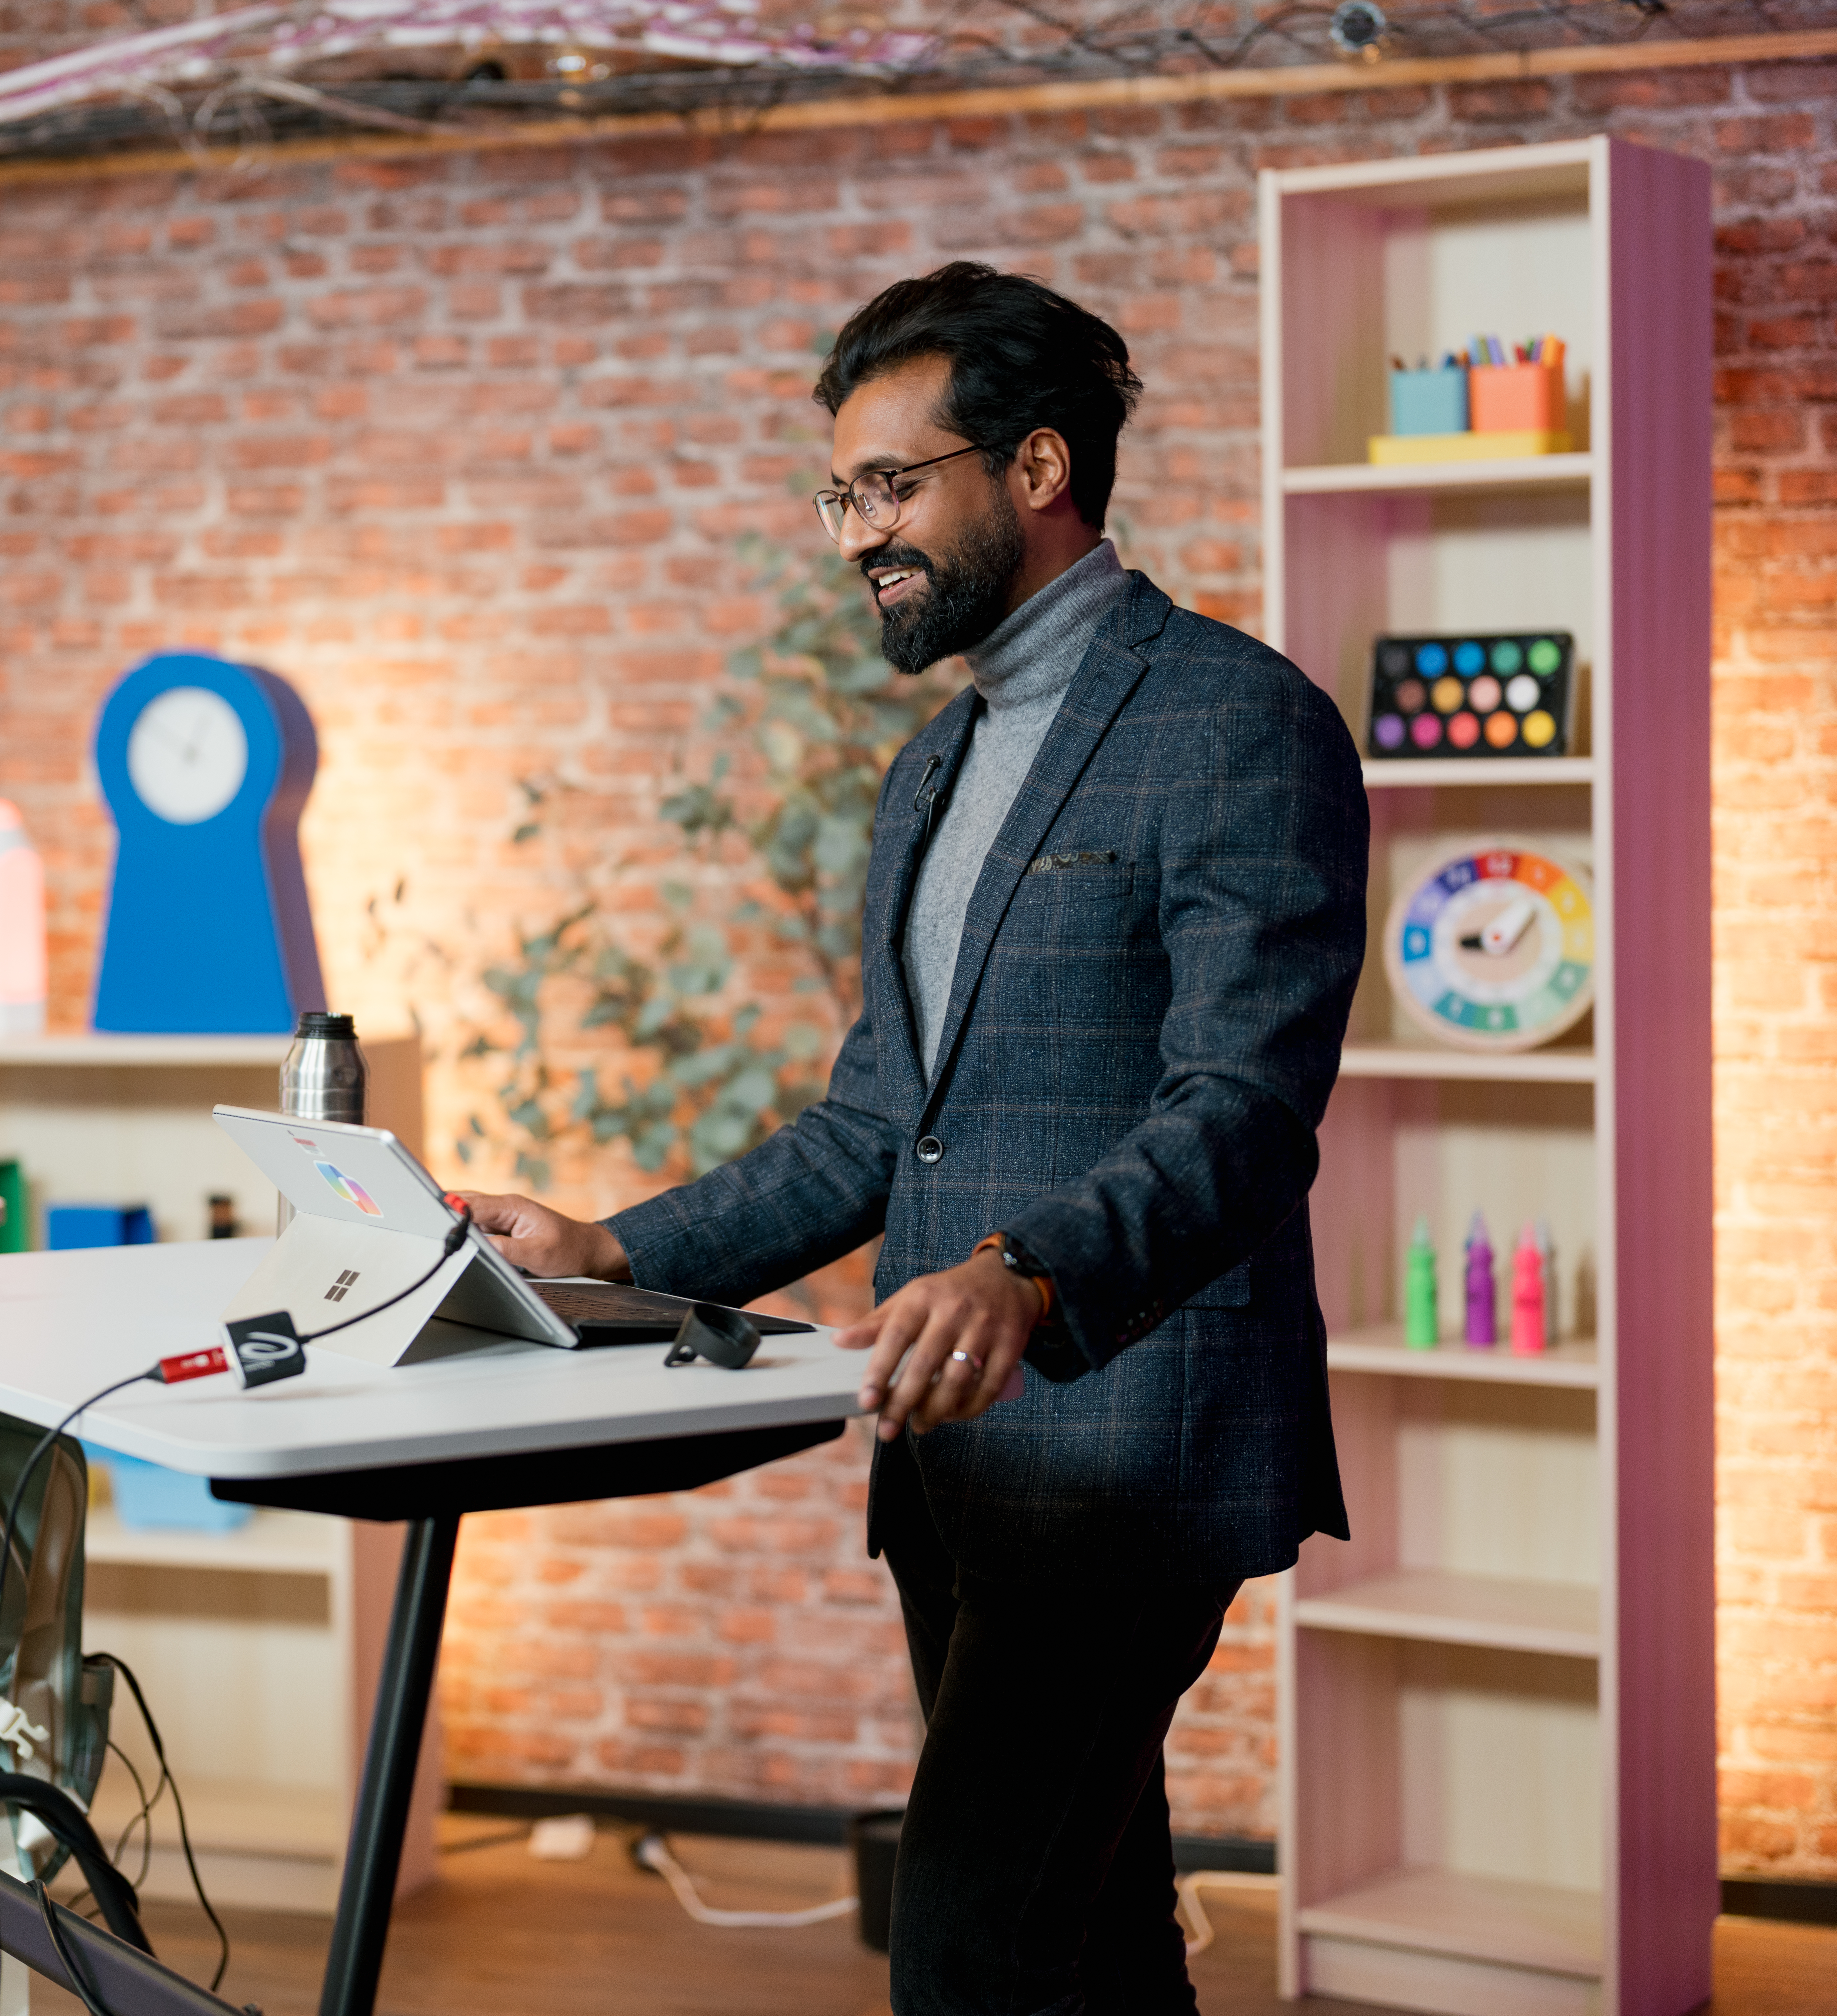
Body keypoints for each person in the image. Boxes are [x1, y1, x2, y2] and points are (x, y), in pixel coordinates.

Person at [460, 263, 1367, 2015]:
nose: (857, 533)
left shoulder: (1237, 723)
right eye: (843, 493)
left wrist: (1032, 1277)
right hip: (951, 1459)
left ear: (1035, 470)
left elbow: (1249, 1113)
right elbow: (878, 1126)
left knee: (965, 1962)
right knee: (1086, 1943)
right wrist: (611, 1254)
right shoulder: (933, 773)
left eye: (893, 486)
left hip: (1127, 1449)